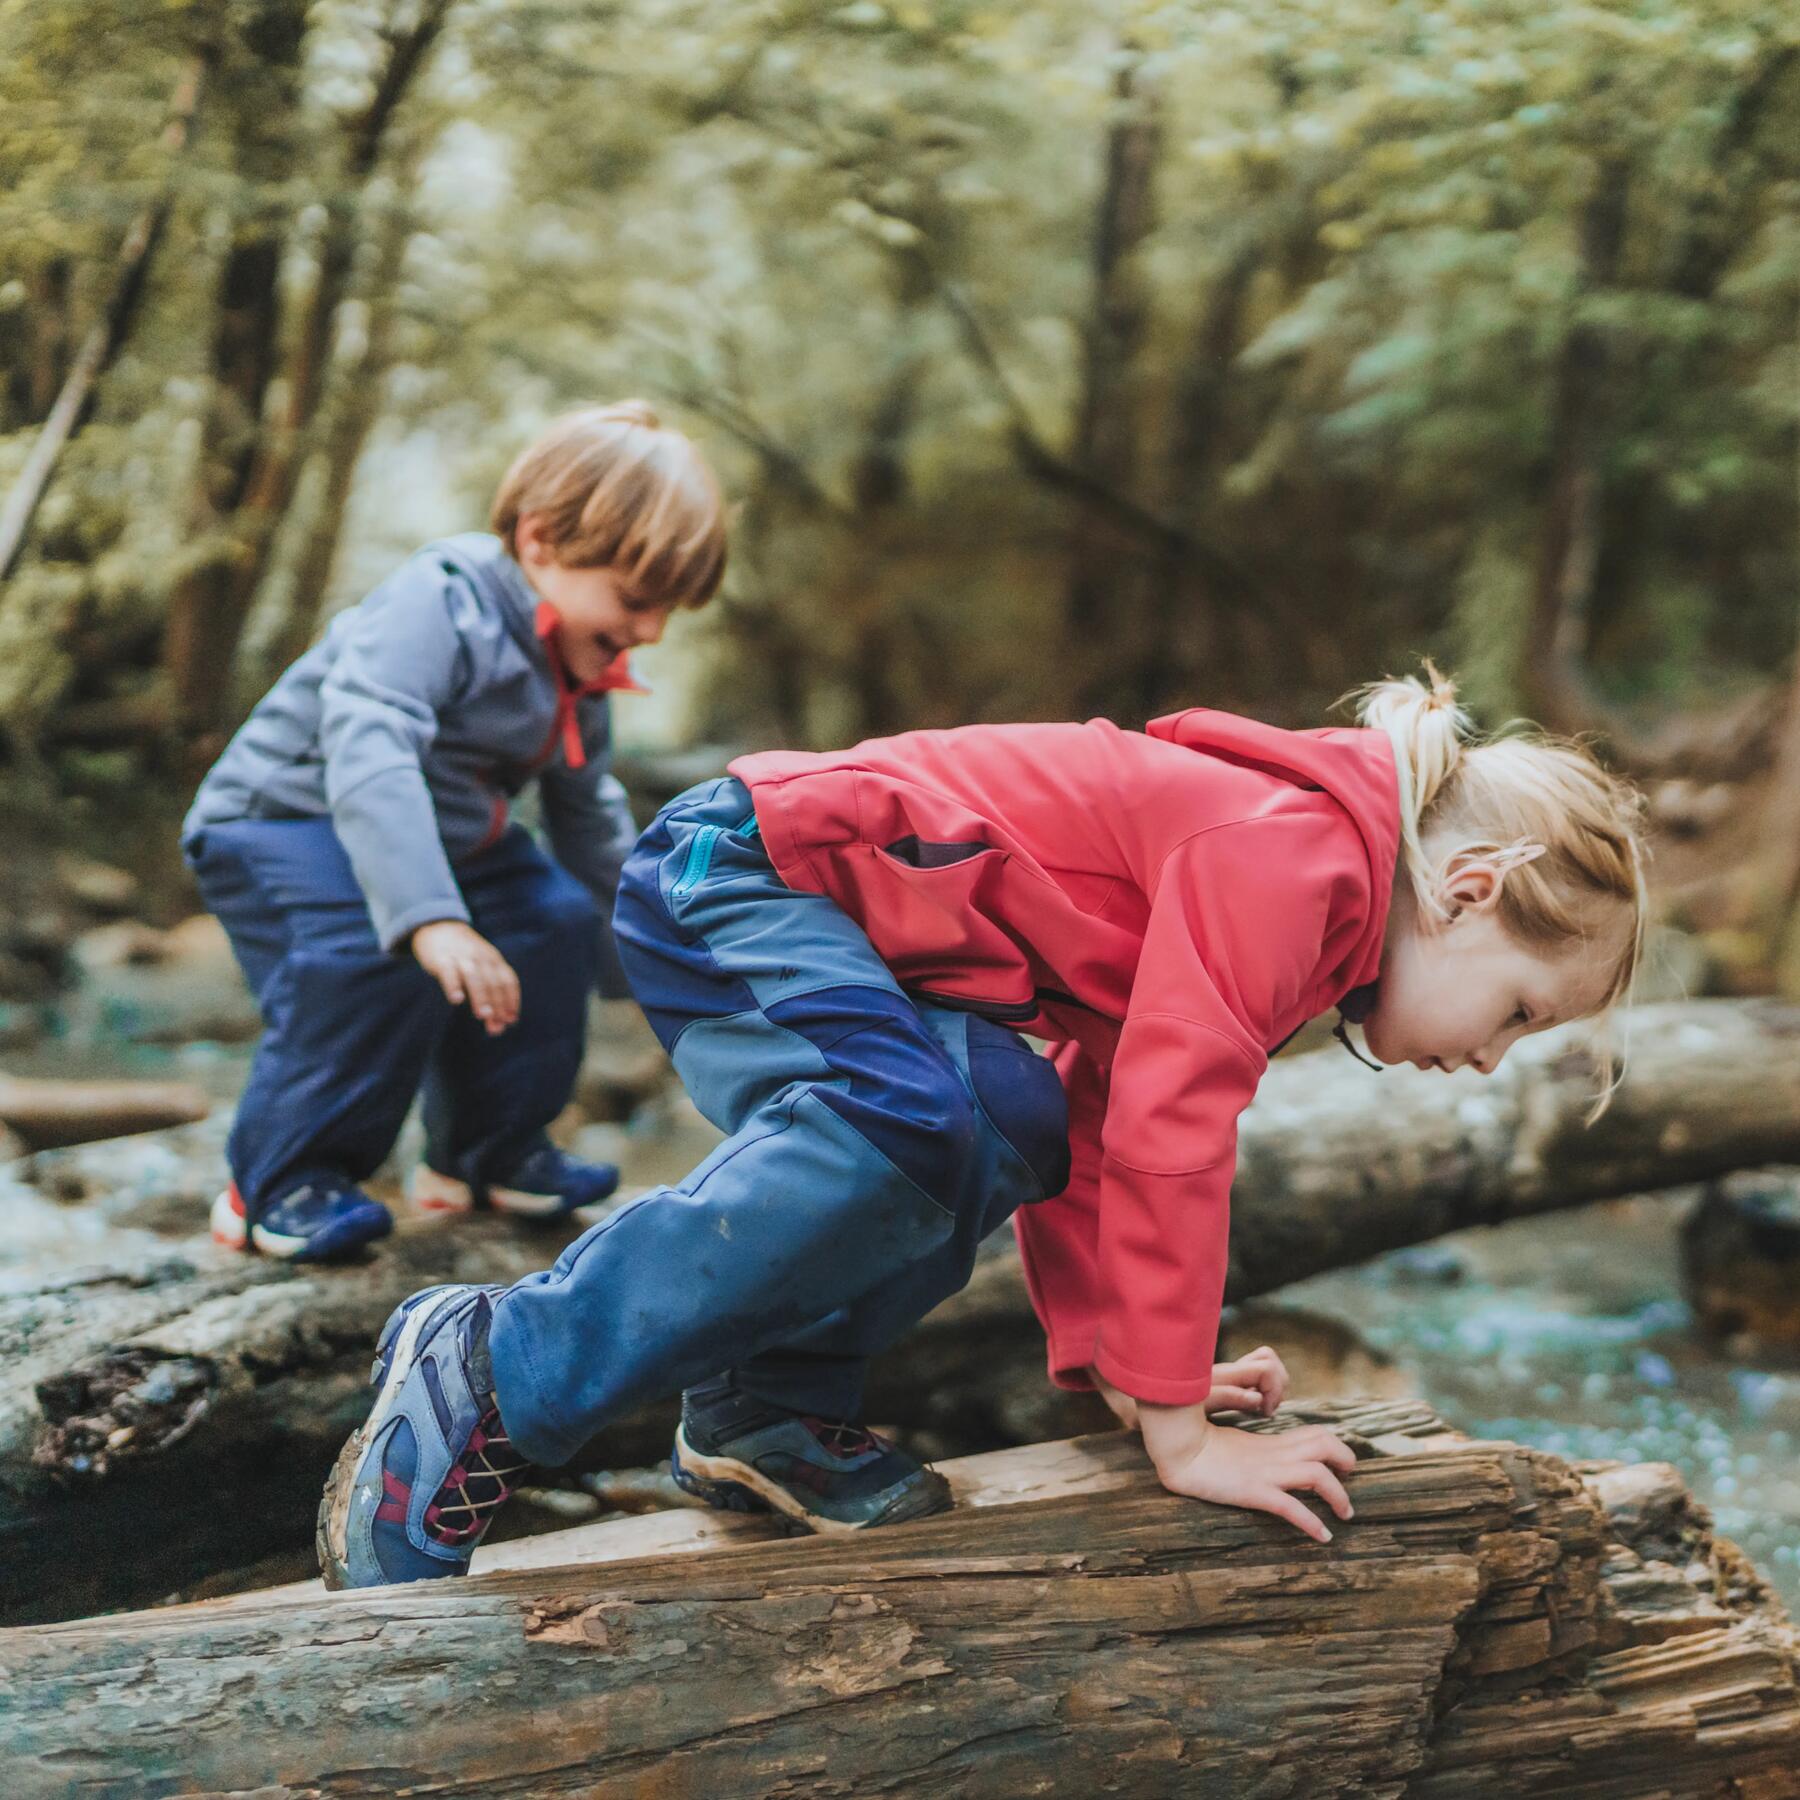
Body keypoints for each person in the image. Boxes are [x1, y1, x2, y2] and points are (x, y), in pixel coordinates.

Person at [317, 664, 1648, 1586]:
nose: (1490, 1059)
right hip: (739, 870)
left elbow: (1110, 1119)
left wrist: (1125, 1366)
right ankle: (496, 1368)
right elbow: (1184, 1130)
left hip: (831, 933)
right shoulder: (1298, 861)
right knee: (917, 1118)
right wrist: (1185, 1429)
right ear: (1470, 889)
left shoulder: (1316, 900)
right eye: (1522, 1010)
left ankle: (763, 1413)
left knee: (997, 1108)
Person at [181, 401, 726, 1261]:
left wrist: (663, 971)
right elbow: (369, 745)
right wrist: (430, 916)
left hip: (439, 838)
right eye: (636, 600)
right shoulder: (443, 601)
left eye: (669, 611)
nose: (649, 631)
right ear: (541, 540)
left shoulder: (579, 667)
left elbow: (590, 823)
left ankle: (487, 1156)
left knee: (550, 918)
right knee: (370, 950)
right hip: (284, 820)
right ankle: (277, 1183)